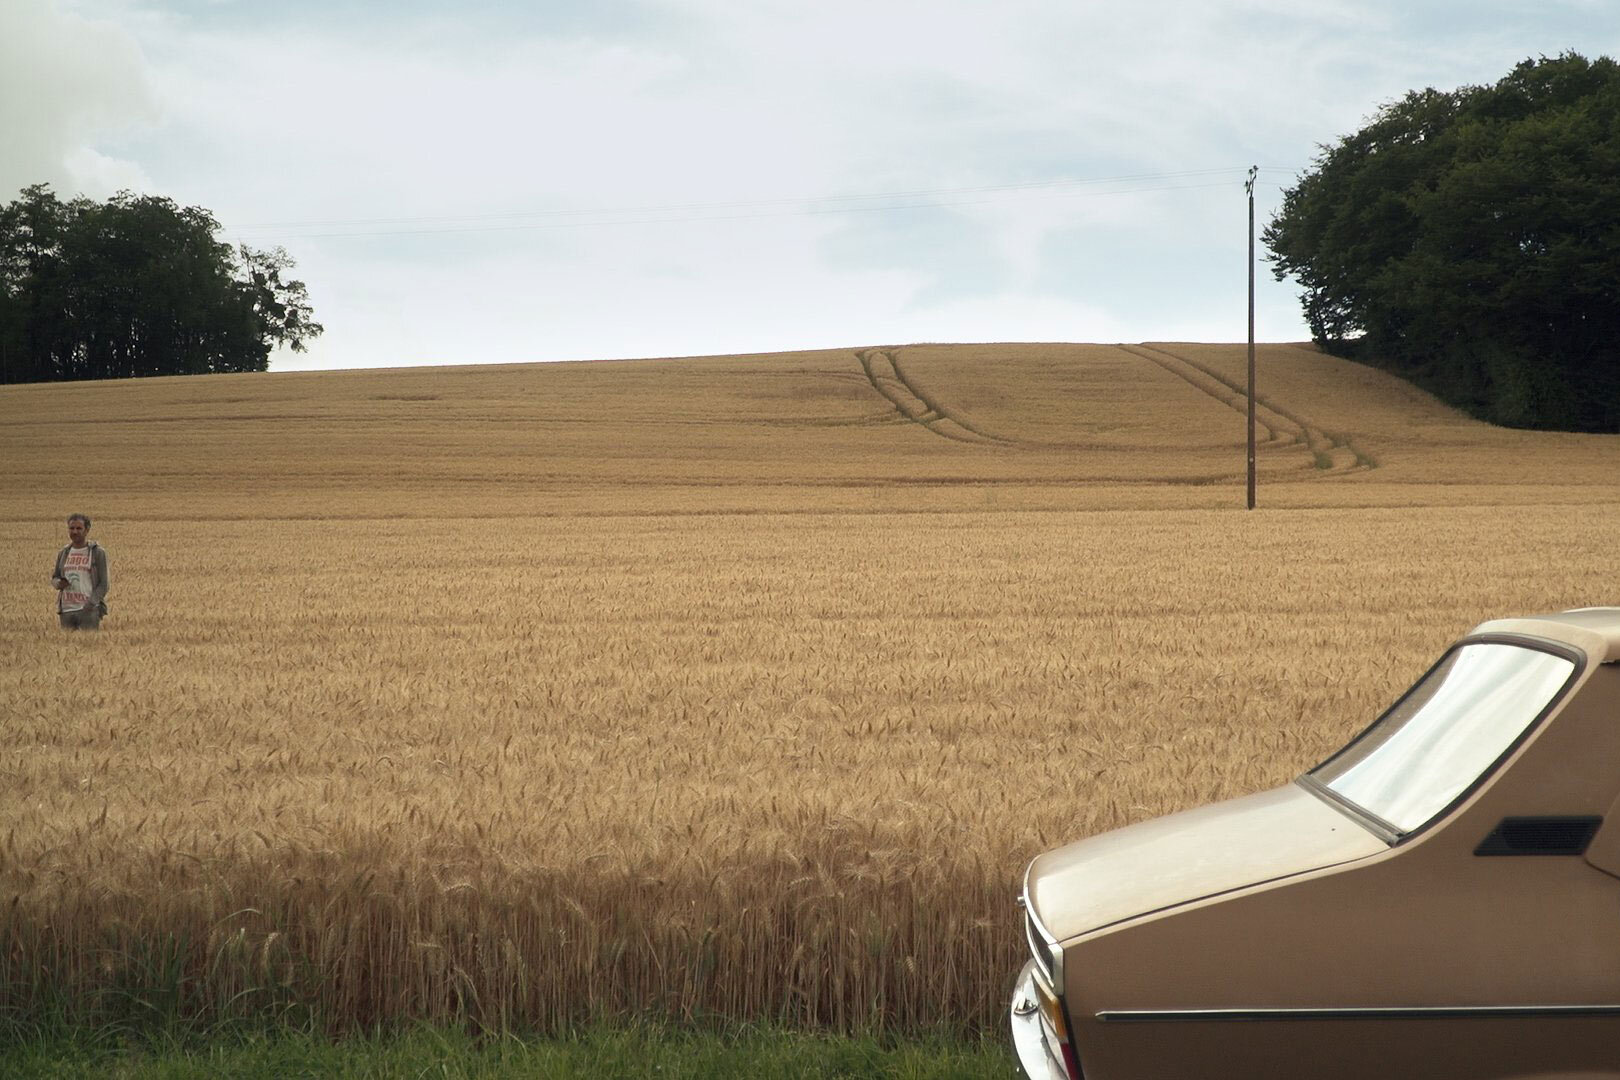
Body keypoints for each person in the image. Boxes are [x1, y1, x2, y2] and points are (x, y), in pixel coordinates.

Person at [52, 513, 109, 630]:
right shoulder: (63, 553)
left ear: (87, 530)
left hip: (88, 611)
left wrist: (91, 604)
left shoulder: (97, 553)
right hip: (66, 610)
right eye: (71, 528)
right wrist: (59, 583)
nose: (75, 532)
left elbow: (104, 584)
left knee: (89, 646)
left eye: (79, 528)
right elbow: (54, 578)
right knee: (65, 647)